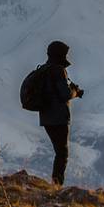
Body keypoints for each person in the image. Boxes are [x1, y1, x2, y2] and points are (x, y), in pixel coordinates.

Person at [38, 40, 82, 185]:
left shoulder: (44, 69)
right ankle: (57, 185)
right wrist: (75, 92)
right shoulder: (58, 70)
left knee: (59, 152)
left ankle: (56, 184)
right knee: (62, 154)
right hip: (59, 118)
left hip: (46, 117)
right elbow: (65, 94)